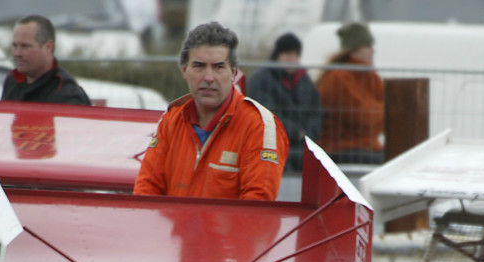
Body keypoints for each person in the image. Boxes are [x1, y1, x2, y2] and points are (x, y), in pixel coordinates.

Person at [133, 21, 288, 200]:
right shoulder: (171, 121)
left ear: (233, 73)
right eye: (199, 66)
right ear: (185, 71)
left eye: (218, 67)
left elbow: (257, 206)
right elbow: (146, 190)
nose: (208, 77)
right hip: (172, 228)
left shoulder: (259, 126)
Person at [245, 32, 323, 172]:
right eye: (287, 54)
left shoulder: (304, 81)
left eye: (295, 55)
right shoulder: (261, 80)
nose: (292, 59)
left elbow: (316, 111)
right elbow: (266, 113)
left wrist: (309, 133)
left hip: (302, 148)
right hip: (271, 146)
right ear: (277, 55)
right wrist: (296, 133)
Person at [315, 22, 384, 165]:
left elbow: (380, 119)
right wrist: (384, 110)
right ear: (353, 50)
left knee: (398, 159)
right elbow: (363, 118)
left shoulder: (372, 77)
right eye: (368, 46)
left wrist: (378, 112)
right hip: (339, 148)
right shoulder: (339, 78)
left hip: (365, 145)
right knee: (382, 163)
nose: (373, 51)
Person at [1, 15, 91, 106]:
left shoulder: (67, 92)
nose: (17, 53)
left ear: (48, 47)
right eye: (15, 46)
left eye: (25, 46)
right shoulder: (12, 80)